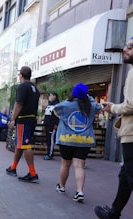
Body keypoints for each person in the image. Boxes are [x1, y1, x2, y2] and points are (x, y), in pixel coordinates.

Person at [94, 37, 133, 218]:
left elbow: (131, 105)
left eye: (131, 47)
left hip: (132, 135)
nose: (125, 49)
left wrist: (113, 108)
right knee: (125, 176)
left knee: (130, 177)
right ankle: (114, 213)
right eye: (127, 45)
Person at [53, 83, 101, 203]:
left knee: (65, 164)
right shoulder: (91, 106)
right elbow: (99, 106)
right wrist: (89, 98)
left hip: (66, 139)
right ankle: (79, 191)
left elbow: (55, 110)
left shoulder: (65, 105)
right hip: (84, 140)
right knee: (79, 166)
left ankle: (62, 187)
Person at [6, 66, 40, 183]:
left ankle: (32, 173)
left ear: (21, 75)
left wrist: (12, 119)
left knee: (25, 145)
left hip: (23, 119)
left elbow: (19, 103)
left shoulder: (22, 86)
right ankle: (13, 167)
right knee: (20, 144)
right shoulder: (34, 87)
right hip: (31, 119)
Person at [43, 92, 59, 160]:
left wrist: (56, 124)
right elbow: (46, 116)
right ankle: (48, 152)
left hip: (52, 126)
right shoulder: (49, 105)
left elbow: (58, 116)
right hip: (47, 125)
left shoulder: (57, 105)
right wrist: (44, 124)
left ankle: (50, 154)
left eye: (51, 95)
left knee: (51, 140)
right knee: (48, 140)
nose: (50, 96)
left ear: (54, 96)